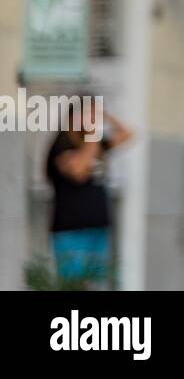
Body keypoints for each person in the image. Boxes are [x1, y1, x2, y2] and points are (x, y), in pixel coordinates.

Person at [46, 112, 134, 287]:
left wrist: (106, 115)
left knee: (98, 284)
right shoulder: (62, 146)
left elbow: (128, 134)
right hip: (72, 232)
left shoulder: (94, 145)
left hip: (98, 228)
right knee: (73, 286)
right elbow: (78, 172)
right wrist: (93, 134)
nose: (94, 120)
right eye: (89, 115)